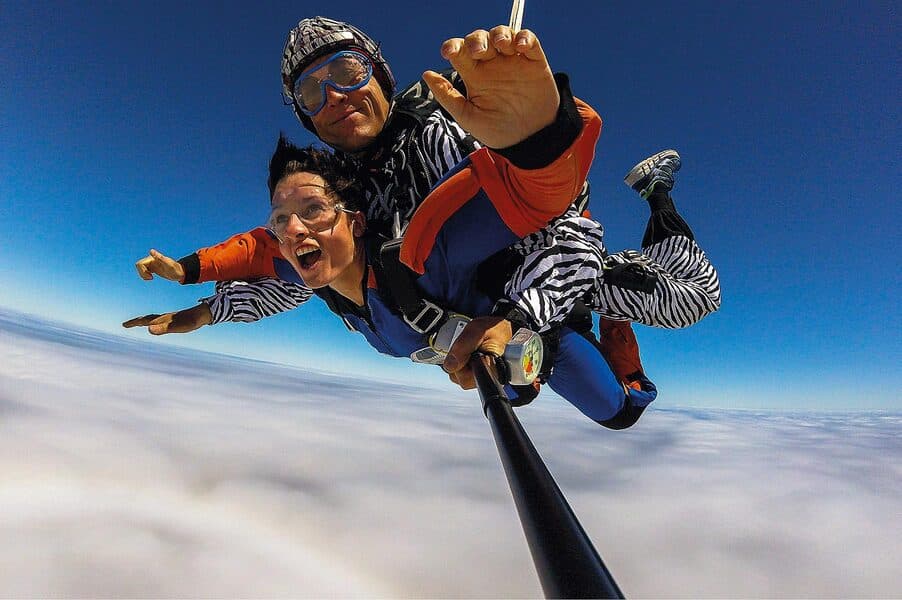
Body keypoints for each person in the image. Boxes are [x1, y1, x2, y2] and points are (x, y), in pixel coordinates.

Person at [127, 18, 650, 395]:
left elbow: (556, 217)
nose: (334, 95)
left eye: (347, 70)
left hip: (543, 286)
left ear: (380, 75)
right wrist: (204, 298)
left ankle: (658, 206)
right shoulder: (338, 197)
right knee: (510, 385)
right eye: (311, 92)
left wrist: (536, 139)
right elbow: (290, 268)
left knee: (623, 398)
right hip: (464, 327)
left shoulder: (446, 135)